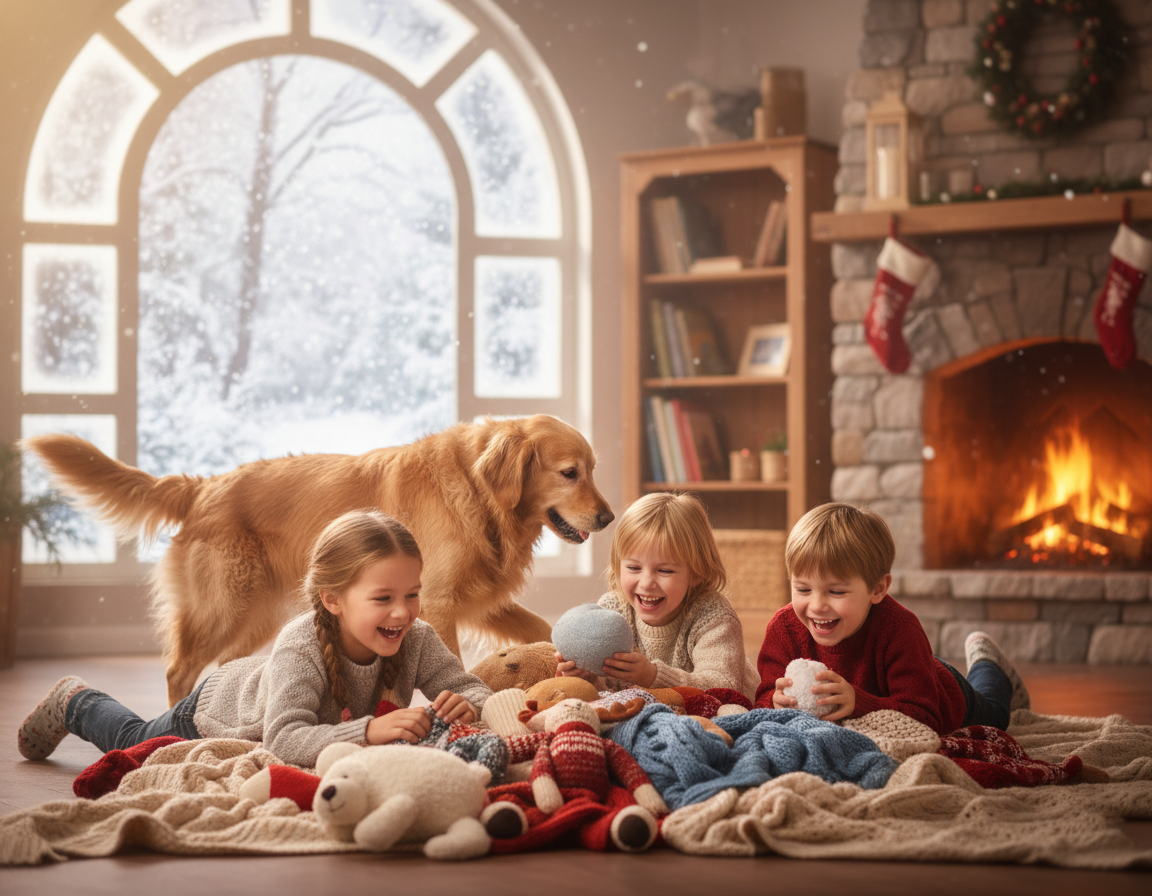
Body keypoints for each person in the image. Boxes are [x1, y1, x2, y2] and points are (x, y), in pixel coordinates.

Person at [17, 510, 492, 767]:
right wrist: (368, 732)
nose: (403, 611)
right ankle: (73, 700)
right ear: (332, 599)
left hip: (268, 697)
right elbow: (284, 740)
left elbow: (476, 691)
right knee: (133, 745)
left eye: (412, 594)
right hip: (219, 711)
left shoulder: (417, 637)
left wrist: (466, 704)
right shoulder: (301, 645)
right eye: (383, 598)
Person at [754, 502, 1030, 734]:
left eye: (836, 591)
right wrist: (775, 701)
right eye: (803, 589)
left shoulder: (900, 629)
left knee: (997, 715)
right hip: (912, 672)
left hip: (945, 695)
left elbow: (924, 717)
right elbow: (763, 698)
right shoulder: (784, 628)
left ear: (877, 589)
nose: (816, 606)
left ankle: (989, 665)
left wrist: (858, 702)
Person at [556, 491, 759, 700]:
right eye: (634, 568)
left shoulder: (713, 616)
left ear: (696, 573)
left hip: (726, 710)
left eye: (665, 571)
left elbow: (724, 688)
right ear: (618, 567)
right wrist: (589, 679)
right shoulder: (612, 610)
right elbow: (613, 694)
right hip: (655, 712)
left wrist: (653, 676)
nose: (646, 583)